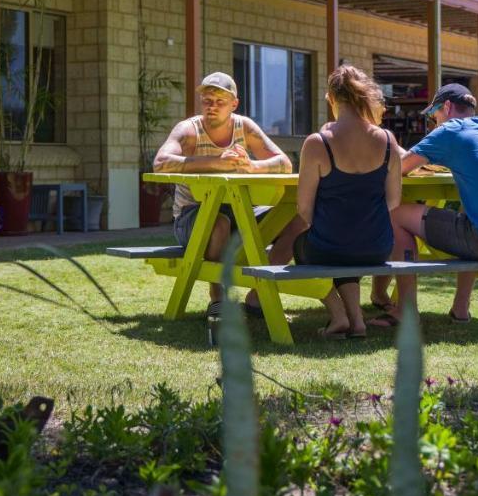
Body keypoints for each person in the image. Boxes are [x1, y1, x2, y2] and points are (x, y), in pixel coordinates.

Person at [369, 83, 478, 326]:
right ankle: (460, 310)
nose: (434, 123)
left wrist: (381, 140)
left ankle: (406, 311)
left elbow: (401, 167)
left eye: (433, 115)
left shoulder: (450, 130)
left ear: (448, 107)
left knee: (397, 214)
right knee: (470, 211)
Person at [263, 65, 400, 338]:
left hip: (330, 245)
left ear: (331, 99)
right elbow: (394, 200)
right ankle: (357, 322)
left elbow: (303, 207)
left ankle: (338, 316)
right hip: (378, 247)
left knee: (305, 244)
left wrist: (334, 224)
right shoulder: (387, 140)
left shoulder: (317, 143)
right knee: (342, 244)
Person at [152, 71, 292, 315]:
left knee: (294, 217)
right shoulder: (189, 130)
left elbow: (284, 163)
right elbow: (161, 163)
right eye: (207, 100)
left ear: (234, 104)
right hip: (192, 215)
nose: (212, 107)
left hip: (242, 211)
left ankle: (259, 296)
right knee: (219, 223)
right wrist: (216, 162)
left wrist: (252, 166)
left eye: (220, 102)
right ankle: (218, 297)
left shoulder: (244, 126)